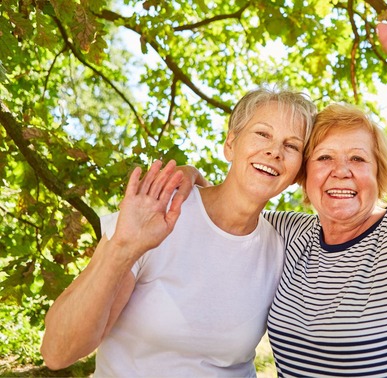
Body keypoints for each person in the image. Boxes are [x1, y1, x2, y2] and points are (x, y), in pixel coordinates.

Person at [177, 5, 387, 377]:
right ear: (303, 173)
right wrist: (190, 177)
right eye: (325, 158)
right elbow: (231, 206)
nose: (341, 172)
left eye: (358, 160)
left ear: (379, 174)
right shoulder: (290, 234)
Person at [40, 87, 317, 377]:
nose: (274, 151)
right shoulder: (157, 212)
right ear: (230, 144)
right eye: (262, 134)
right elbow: (58, 352)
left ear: (298, 172)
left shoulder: (284, 245)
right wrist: (123, 248)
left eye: (292, 146)